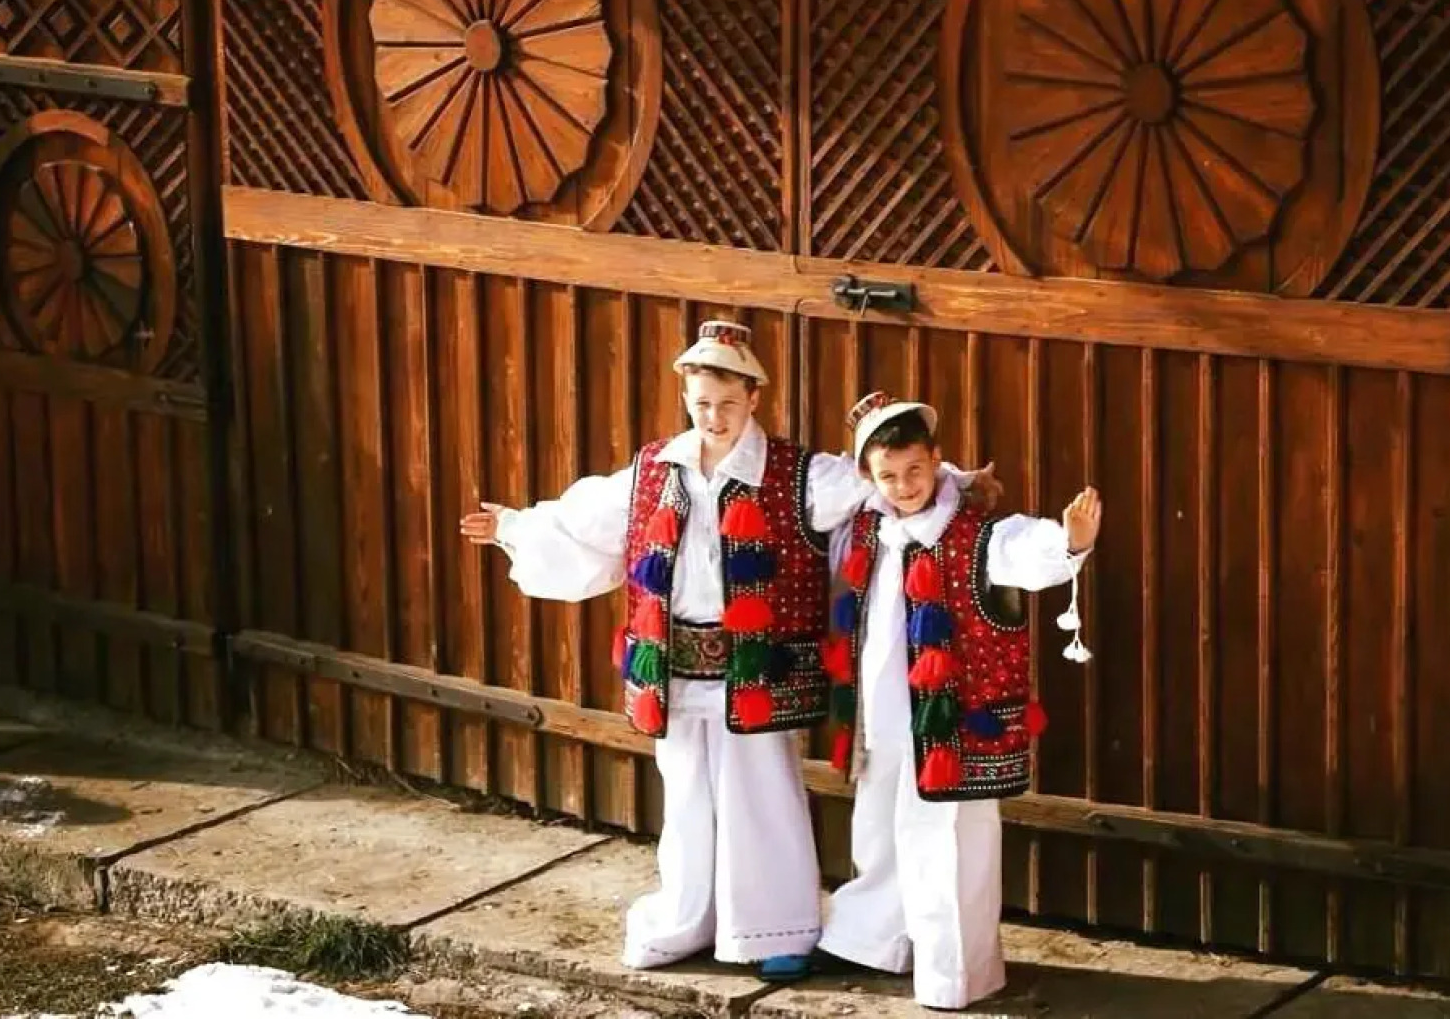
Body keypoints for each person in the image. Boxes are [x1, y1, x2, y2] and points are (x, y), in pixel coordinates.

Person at [459, 324, 998, 982]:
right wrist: (513, 526)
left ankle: (776, 928)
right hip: (674, 663)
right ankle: (686, 918)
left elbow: (879, 483)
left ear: (753, 397)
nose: (714, 417)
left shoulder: (798, 473)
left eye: (727, 403)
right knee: (685, 797)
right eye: (701, 403)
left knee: (761, 798)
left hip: (756, 670)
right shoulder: (655, 468)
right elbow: (585, 522)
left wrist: (958, 486)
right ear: (686, 397)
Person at [814, 390, 1101, 1010]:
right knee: (879, 824)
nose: (903, 485)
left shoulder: (976, 535)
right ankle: (875, 941)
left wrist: (1068, 543)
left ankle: (955, 974)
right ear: (870, 476)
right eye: (888, 475)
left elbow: (1028, 554)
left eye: (915, 470)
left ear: (936, 461)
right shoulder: (869, 525)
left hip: (951, 720)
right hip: (883, 713)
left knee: (949, 840)